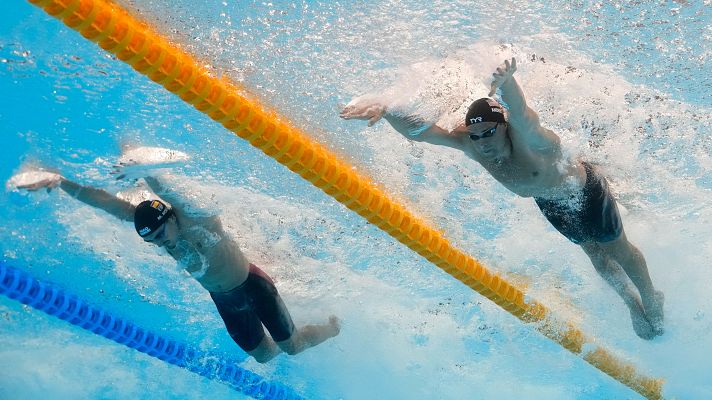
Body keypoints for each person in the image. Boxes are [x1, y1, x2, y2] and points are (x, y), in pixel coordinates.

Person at [340, 57, 664, 339]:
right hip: (552, 204)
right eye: (476, 135)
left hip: (583, 193)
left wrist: (508, 83)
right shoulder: (472, 145)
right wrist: (387, 110)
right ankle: (631, 304)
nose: (482, 143)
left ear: (503, 127)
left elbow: (522, 112)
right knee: (596, 257)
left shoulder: (531, 140)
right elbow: (420, 131)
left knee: (617, 249)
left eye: (489, 133)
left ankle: (650, 297)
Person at [16, 170, 340, 361]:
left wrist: (146, 170)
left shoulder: (198, 221)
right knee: (266, 356)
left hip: (252, 286)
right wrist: (60, 182)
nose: (160, 243)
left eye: (160, 234)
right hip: (225, 302)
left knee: (292, 347)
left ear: (169, 217)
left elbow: (170, 190)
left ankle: (331, 326)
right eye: (151, 241)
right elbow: (104, 202)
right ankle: (286, 332)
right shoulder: (160, 231)